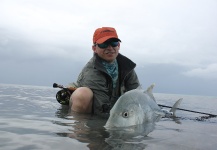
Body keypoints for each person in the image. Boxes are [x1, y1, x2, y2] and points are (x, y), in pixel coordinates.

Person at [69, 27, 140, 117]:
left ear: (119, 46)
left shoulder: (127, 66)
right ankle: (80, 128)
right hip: (99, 110)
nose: (110, 48)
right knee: (83, 94)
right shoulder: (91, 73)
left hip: (115, 109)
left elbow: (137, 94)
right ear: (94, 48)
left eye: (114, 43)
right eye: (104, 44)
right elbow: (101, 110)